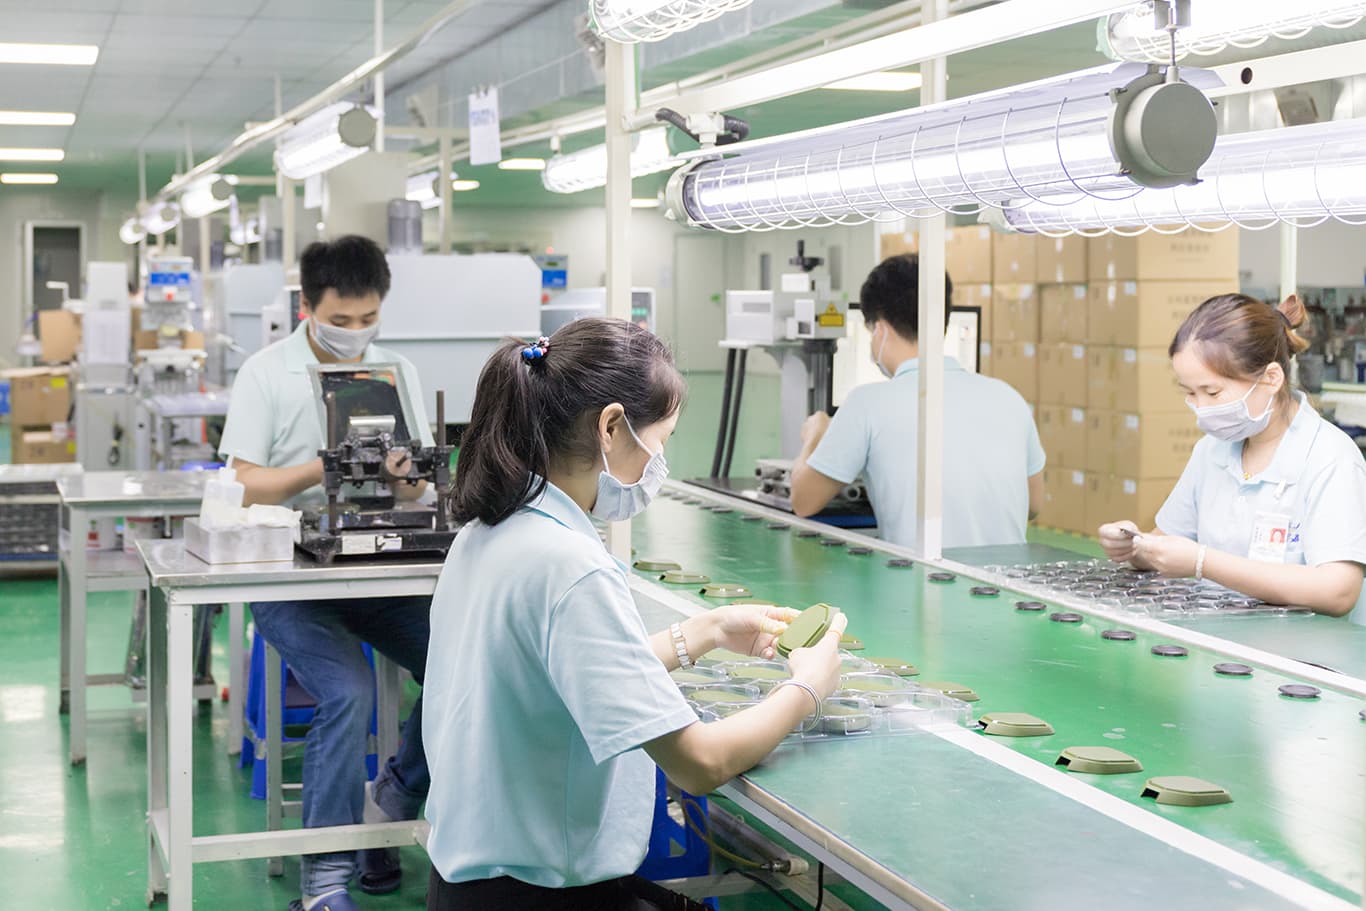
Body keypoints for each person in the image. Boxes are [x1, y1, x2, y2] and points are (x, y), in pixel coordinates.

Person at [422, 318, 847, 910]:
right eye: (661, 439)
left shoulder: (491, 530)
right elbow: (700, 763)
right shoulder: (570, 566)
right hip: (540, 897)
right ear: (611, 426)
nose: (659, 460)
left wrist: (705, 631)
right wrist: (807, 688)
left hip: (469, 886)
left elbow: (563, 678)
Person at [219, 235, 434, 911]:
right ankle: (326, 878)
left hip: (379, 572)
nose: (355, 332)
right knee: (347, 692)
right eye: (340, 320)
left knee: (466, 662)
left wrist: (404, 477)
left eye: (368, 318)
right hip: (290, 580)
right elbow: (243, 484)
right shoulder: (266, 373)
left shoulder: (397, 372)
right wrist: (326, 464)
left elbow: (418, 491)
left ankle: (392, 799)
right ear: (307, 307)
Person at [1099, 293, 1366, 623]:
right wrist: (1135, 546)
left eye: (1212, 392)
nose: (1201, 407)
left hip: (1296, 650)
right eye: (1190, 393)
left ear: (1271, 378)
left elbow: (1338, 591)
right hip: (1213, 637)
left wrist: (1203, 563)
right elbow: (1167, 542)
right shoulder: (1212, 450)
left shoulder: (1331, 458)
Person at [790, 253, 1045, 550]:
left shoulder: (866, 403)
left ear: (880, 329)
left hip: (925, 577)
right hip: (1005, 578)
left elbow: (803, 502)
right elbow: (1034, 504)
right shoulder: (1009, 397)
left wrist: (816, 434)